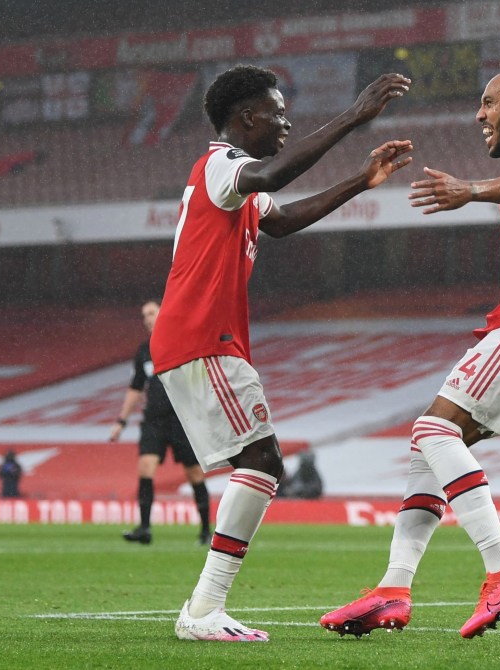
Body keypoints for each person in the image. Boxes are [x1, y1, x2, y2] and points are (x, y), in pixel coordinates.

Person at [321, 48, 500, 640]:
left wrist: (470, 190)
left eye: (489, 102)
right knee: (429, 445)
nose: (480, 115)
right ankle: (393, 589)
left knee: (431, 432)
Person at [149, 64, 412, 643]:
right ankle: (202, 610)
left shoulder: (231, 180)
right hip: (201, 336)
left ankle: (203, 608)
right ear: (246, 118)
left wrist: (361, 180)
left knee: (262, 463)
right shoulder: (221, 164)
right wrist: (354, 117)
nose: (287, 121)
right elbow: (273, 178)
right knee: (263, 462)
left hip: (206, 337)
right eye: (277, 112)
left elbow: (284, 219)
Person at [108, 299, 211, 546]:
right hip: (154, 420)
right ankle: (144, 529)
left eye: (151, 313)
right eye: (144, 315)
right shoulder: (144, 351)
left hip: (182, 420)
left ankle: (206, 530)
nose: (147, 319)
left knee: (195, 473)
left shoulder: (181, 344)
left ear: (163, 314)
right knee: (145, 468)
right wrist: (121, 420)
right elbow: (135, 388)